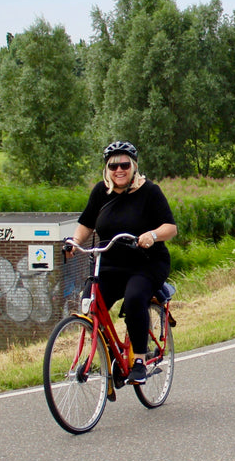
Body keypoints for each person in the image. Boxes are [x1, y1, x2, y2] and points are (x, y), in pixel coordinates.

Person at [67, 142, 178, 386]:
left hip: (146, 262)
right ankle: (111, 356)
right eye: (113, 165)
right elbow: (86, 224)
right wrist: (74, 242)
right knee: (91, 303)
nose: (119, 169)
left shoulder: (149, 191)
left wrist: (152, 235)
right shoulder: (100, 192)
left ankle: (138, 359)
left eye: (125, 164)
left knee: (135, 297)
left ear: (134, 166)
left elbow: (170, 228)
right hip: (110, 264)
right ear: (107, 168)